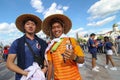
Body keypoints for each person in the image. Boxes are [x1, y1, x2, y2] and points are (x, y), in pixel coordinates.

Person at [42, 14, 85, 80]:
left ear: (62, 28)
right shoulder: (50, 47)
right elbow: (50, 65)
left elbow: (82, 60)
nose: (56, 29)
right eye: (53, 27)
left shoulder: (71, 40)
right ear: (51, 30)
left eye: (58, 27)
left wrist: (74, 57)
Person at [6, 14, 48, 80]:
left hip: (39, 76)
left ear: (35, 27)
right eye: (27, 24)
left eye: (33, 24)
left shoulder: (42, 42)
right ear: (24, 27)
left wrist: (44, 70)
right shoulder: (17, 42)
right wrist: (27, 74)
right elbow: (9, 64)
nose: (30, 26)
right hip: (22, 77)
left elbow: (46, 58)